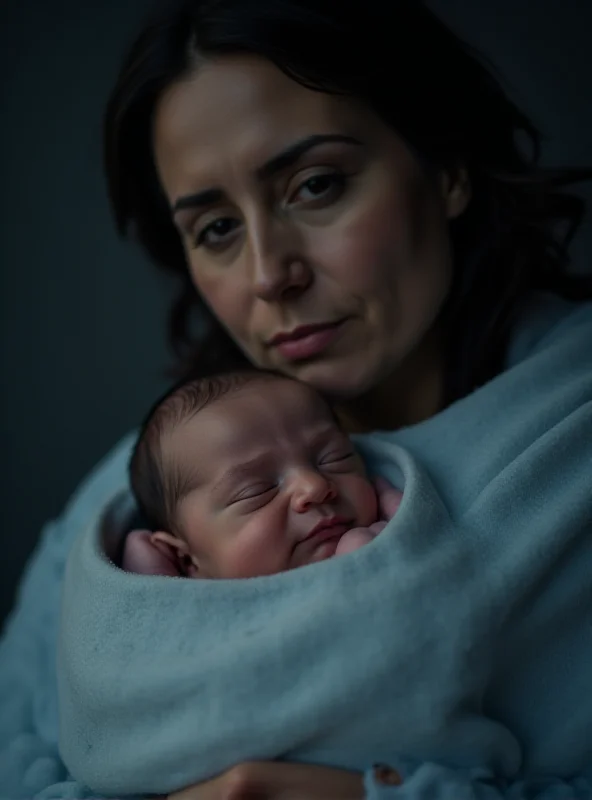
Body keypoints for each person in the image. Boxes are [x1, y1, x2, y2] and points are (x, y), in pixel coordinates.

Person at [1, 0, 591, 797]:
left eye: (315, 185)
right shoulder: (116, 507)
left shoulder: (572, 430)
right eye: (215, 229)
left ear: (445, 167)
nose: (269, 273)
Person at [124, 369, 401, 578]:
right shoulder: (191, 624)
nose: (314, 485)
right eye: (256, 490)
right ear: (186, 560)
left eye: (334, 459)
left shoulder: (396, 535)